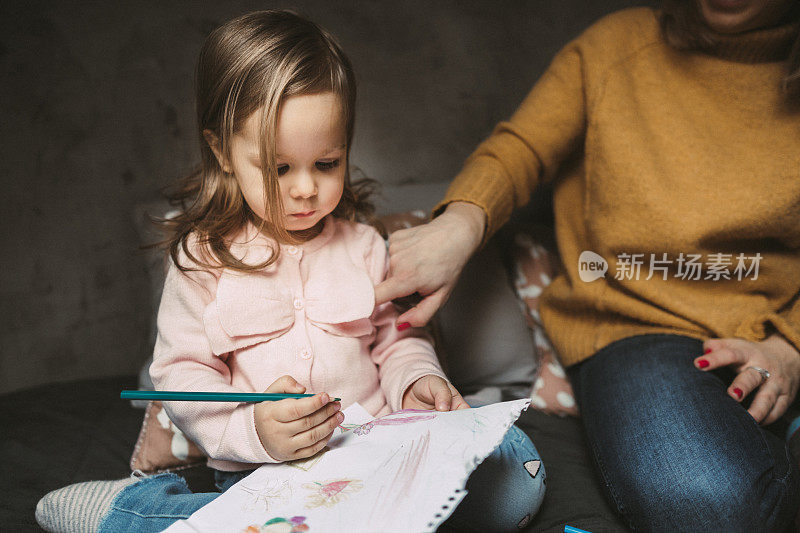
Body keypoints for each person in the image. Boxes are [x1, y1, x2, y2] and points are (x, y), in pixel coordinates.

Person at [34, 10, 545, 533]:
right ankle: (131, 511)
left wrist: (416, 383)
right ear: (223, 151)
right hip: (264, 477)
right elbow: (182, 379)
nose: (305, 189)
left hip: (376, 458)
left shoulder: (366, 246)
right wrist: (254, 430)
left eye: (327, 164)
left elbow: (398, 341)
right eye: (279, 168)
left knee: (515, 468)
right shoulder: (202, 260)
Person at [374, 0, 800, 531]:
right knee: (705, 500)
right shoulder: (616, 47)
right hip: (638, 328)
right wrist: (459, 226)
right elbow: (519, 150)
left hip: (783, 327)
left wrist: (789, 345)